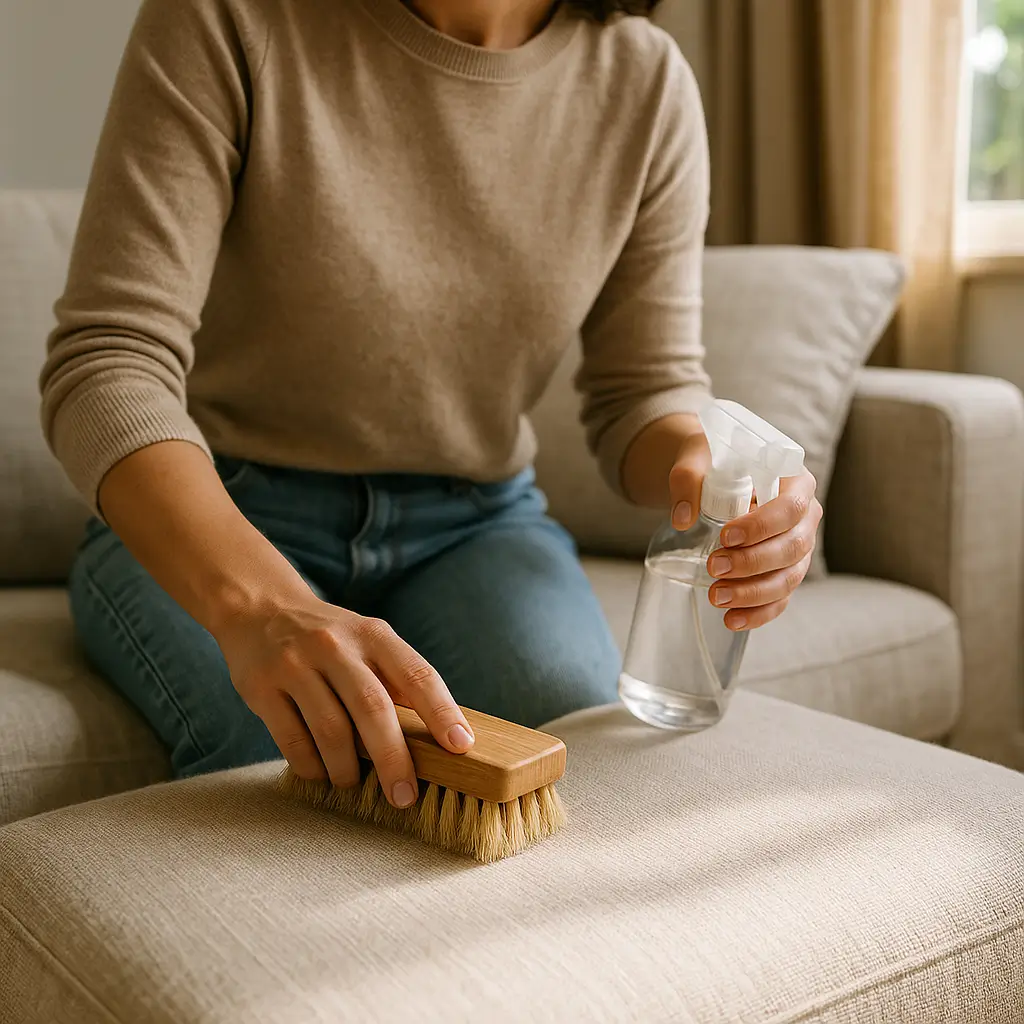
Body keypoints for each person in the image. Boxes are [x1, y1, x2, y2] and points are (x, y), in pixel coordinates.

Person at [40, 0, 822, 813]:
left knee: (573, 766)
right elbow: (108, 361)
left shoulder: (644, 82)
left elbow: (645, 392)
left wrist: (722, 479)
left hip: (474, 526)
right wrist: (263, 607)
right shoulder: (226, 19)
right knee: (292, 769)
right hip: (224, 505)